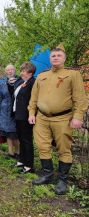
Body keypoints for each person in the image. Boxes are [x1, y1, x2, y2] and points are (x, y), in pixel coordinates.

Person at [28, 45, 87, 195]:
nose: (55, 58)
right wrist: (31, 113)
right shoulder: (41, 75)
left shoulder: (72, 74)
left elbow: (80, 98)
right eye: (53, 56)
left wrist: (78, 117)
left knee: (64, 149)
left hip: (63, 118)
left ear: (64, 58)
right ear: (50, 58)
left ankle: (62, 180)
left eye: (59, 56)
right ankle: (48, 176)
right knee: (42, 147)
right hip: (41, 118)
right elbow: (34, 97)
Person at [10, 62, 36, 174]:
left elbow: (33, 100)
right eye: (21, 71)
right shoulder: (22, 83)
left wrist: (32, 114)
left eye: (24, 71)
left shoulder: (33, 83)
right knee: (21, 139)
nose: (21, 73)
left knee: (27, 140)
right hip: (18, 115)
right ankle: (21, 160)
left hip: (26, 116)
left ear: (30, 72)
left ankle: (29, 165)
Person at [0, 64, 20, 159]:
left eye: (12, 69)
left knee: (14, 133)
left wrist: (12, 85)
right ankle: (10, 152)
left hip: (14, 110)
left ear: (15, 71)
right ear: (6, 72)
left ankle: (18, 152)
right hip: (4, 110)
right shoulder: (3, 82)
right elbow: (1, 95)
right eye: (8, 70)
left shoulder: (19, 81)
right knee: (7, 132)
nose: (10, 71)